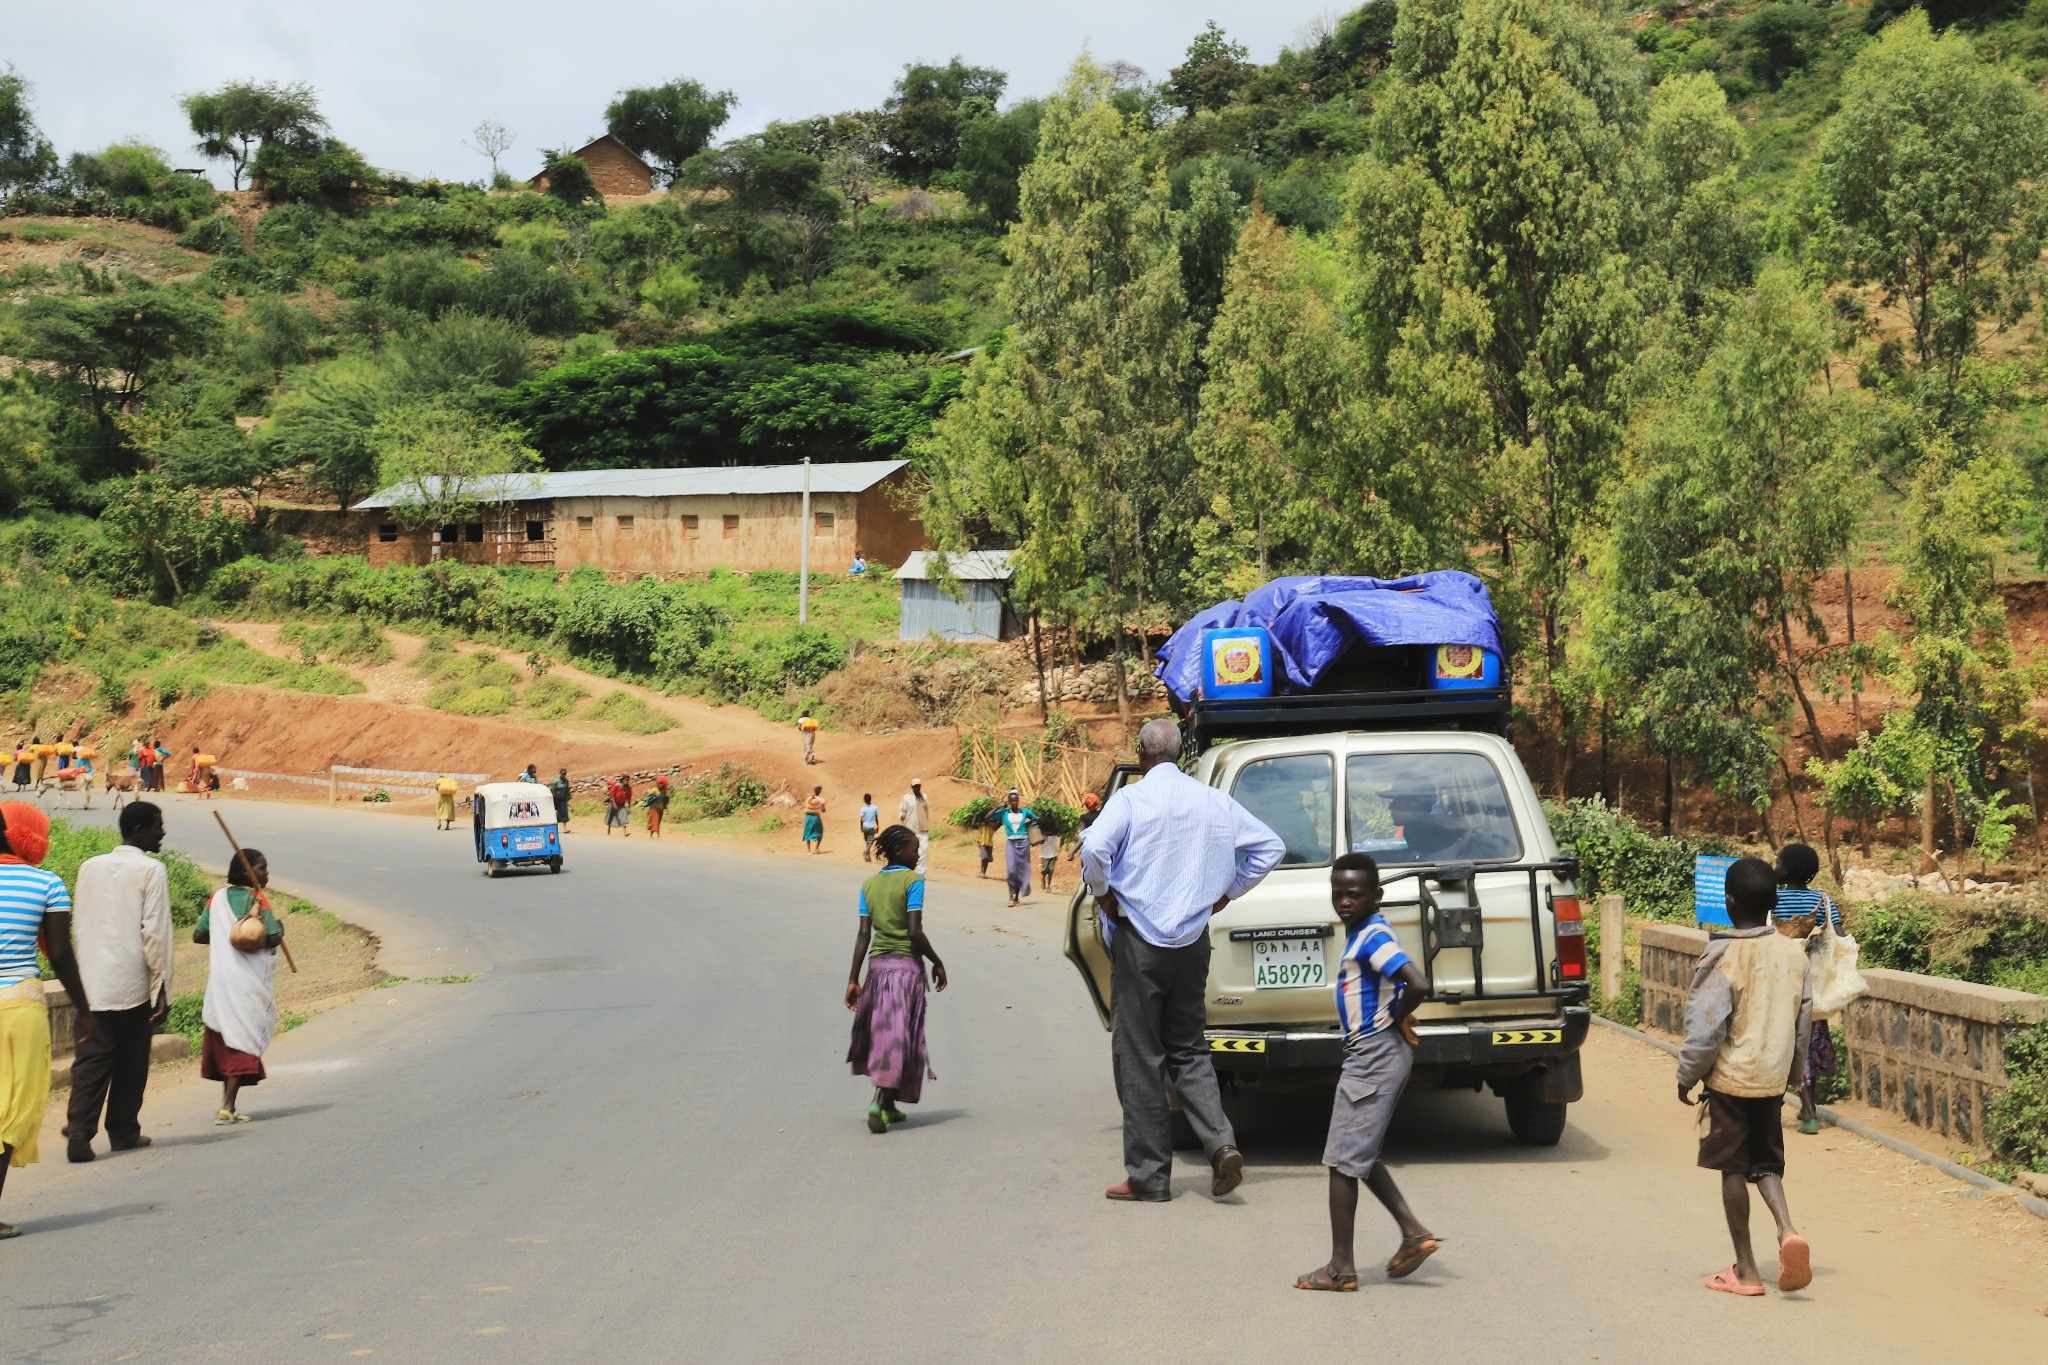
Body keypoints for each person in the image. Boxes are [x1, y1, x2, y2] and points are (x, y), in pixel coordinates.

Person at [1081, 718, 1284, 1203]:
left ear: (1141, 753)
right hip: (1193, 942)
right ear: (1181, 753)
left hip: (1140, 942)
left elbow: (1094, 849)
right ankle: (1221, 1145)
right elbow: (1268, 847)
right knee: (1189, 1049)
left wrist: (1105, 895)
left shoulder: (1130, 800)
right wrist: (1226, 894)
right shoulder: (1212, 799)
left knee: (1140, 1055)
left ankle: (1149, 1177)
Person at [1294, 853, 1440, 1291]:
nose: (1343, 902)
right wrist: (1392, 1013)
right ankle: (1413, 1233)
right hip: (1373, 1053)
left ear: (1375, 896)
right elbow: (1391, 984)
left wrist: (1392, 1015)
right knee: (1361, 1152)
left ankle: (1341, 1269)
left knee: (1342, 1161)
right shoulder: (1364, 932)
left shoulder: (1372, 935)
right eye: (1337, 894)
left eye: (1354, 895)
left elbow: (1416, 983)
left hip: (1372, 1056)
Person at [1678, 856, 1815, 1297]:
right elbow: (1803, 1021)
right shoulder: (1795, 954)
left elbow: (1706, 1028)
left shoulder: (1724, 956)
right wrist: (1794, 1074)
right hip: (1772, 1079)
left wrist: (1687, 1076)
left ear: (1729, 902)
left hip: (1731, 1081)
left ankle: (1748, 1271)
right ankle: (1788, 1228)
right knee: (1766, 1163)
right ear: (1775, 903)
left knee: (1732, 1167)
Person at [0, 802, 92, 1239]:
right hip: (20, 1007)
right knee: (12, 1110)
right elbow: (59, 955)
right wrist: (85, 1009)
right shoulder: (46, 883)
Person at [64, 800, 173, 1163]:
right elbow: (154, 933)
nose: (163, 832)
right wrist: (161, 987)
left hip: (93, 979)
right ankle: (124, 1132)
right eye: (158, 825)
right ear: (140, 830)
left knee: (92, 1057)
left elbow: (80, 922)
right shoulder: (152, 870)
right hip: (131, 981)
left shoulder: (89, 866)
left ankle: (79, 1128)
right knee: (131, 1059)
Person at [845, 824, 947, 1133]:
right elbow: (914, 931)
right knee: (900, 1036)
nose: (918, 855)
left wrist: (853, 979)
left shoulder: (869, 884)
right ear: (899, 851)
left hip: (876, 969)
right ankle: (878, 1099)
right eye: (915, 849)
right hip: (905, 971)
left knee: (884, 1034)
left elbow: (864, 934)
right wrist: (937, 961)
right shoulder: (913, 881)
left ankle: (889, 1106)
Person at [193, 849, 284, 1124]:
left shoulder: (216, 897)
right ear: (247, 872)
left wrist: (226, 937)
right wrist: (278, 929)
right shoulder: (257, 899)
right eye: (262, 868)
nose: (267, 874)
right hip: (245, 982)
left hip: (221, 981)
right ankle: (226, 1105)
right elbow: (272, 937)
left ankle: (230, 1108)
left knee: (229, 1037)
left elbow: (199, 935)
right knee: (242, 1040)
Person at [1773, 844, 1844, 1136]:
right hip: (1813, 987)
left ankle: (1810, 1113)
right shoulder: (1824, 901)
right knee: (1809, 1044)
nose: (1774, 867)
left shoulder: (1773, 900)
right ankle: (1806, 1107)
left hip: (1781, 986)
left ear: (1787, 869)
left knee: (1785, 1044)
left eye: (1777, 863)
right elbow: (1839, 936)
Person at [997, 790, 1036, 906]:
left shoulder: (1025, 811)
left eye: (1015, 800)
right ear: (1008, 801)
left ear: (1018, 801)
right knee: (1011, 870)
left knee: (1020, 870)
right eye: (1011, 801)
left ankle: (1016, 898)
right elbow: (988, 816)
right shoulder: (1004, 813)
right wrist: (997, 806)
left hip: (1024, 842)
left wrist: (1031, 826)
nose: (1014, 803)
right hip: (1011, 843)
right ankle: (1010, 896)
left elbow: (1036, 818)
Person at [898, 780, 932, 873]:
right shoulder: (906, 798)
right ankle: (907, 870)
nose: (917, 788)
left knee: (923, 851)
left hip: (923, 828)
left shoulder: (924, 797)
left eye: (918, 786)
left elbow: (927, 811)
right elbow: (902, 810)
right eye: (915, 786)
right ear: (912, 787)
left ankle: (921, 872)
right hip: (910, 829)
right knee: (909, 850)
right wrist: (902, 816)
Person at [1065, 792, 1102, 871]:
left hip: (1088, 851)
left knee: (1088, 875)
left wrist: (1072, 851)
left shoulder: (1084, 818)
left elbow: (1083, 837)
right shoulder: (1102, 814)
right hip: (1102, 849)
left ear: (1086, 805)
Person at [803, 787, 827, 854]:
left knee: (807, 832)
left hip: (808, 817)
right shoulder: (821, 799)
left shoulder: (808, 799)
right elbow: (823, 810)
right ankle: (816, 848)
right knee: (820, 831)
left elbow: (806, 806)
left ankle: (808, 851)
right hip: (816, 817)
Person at [975, 806, 997, 878]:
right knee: (984, 857)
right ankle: (981, 871)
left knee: (987, 859)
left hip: (989, 842)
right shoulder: (981, 823)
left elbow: (995, 825)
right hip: (982, 842)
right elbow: (975, 825)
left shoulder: (993, 823)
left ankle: (983, 872)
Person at [859, 793, 881, 863]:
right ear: (870, 799)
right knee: (870, 841)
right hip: (871, 827)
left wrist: (861, 827)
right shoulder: (875, 807)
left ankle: (868, 857)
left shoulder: (862, 809)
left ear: (864, 800)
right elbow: (876, 818)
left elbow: (861, 819)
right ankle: (866, 851)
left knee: (867, 841)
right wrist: (877, 826)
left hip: (865, 827)